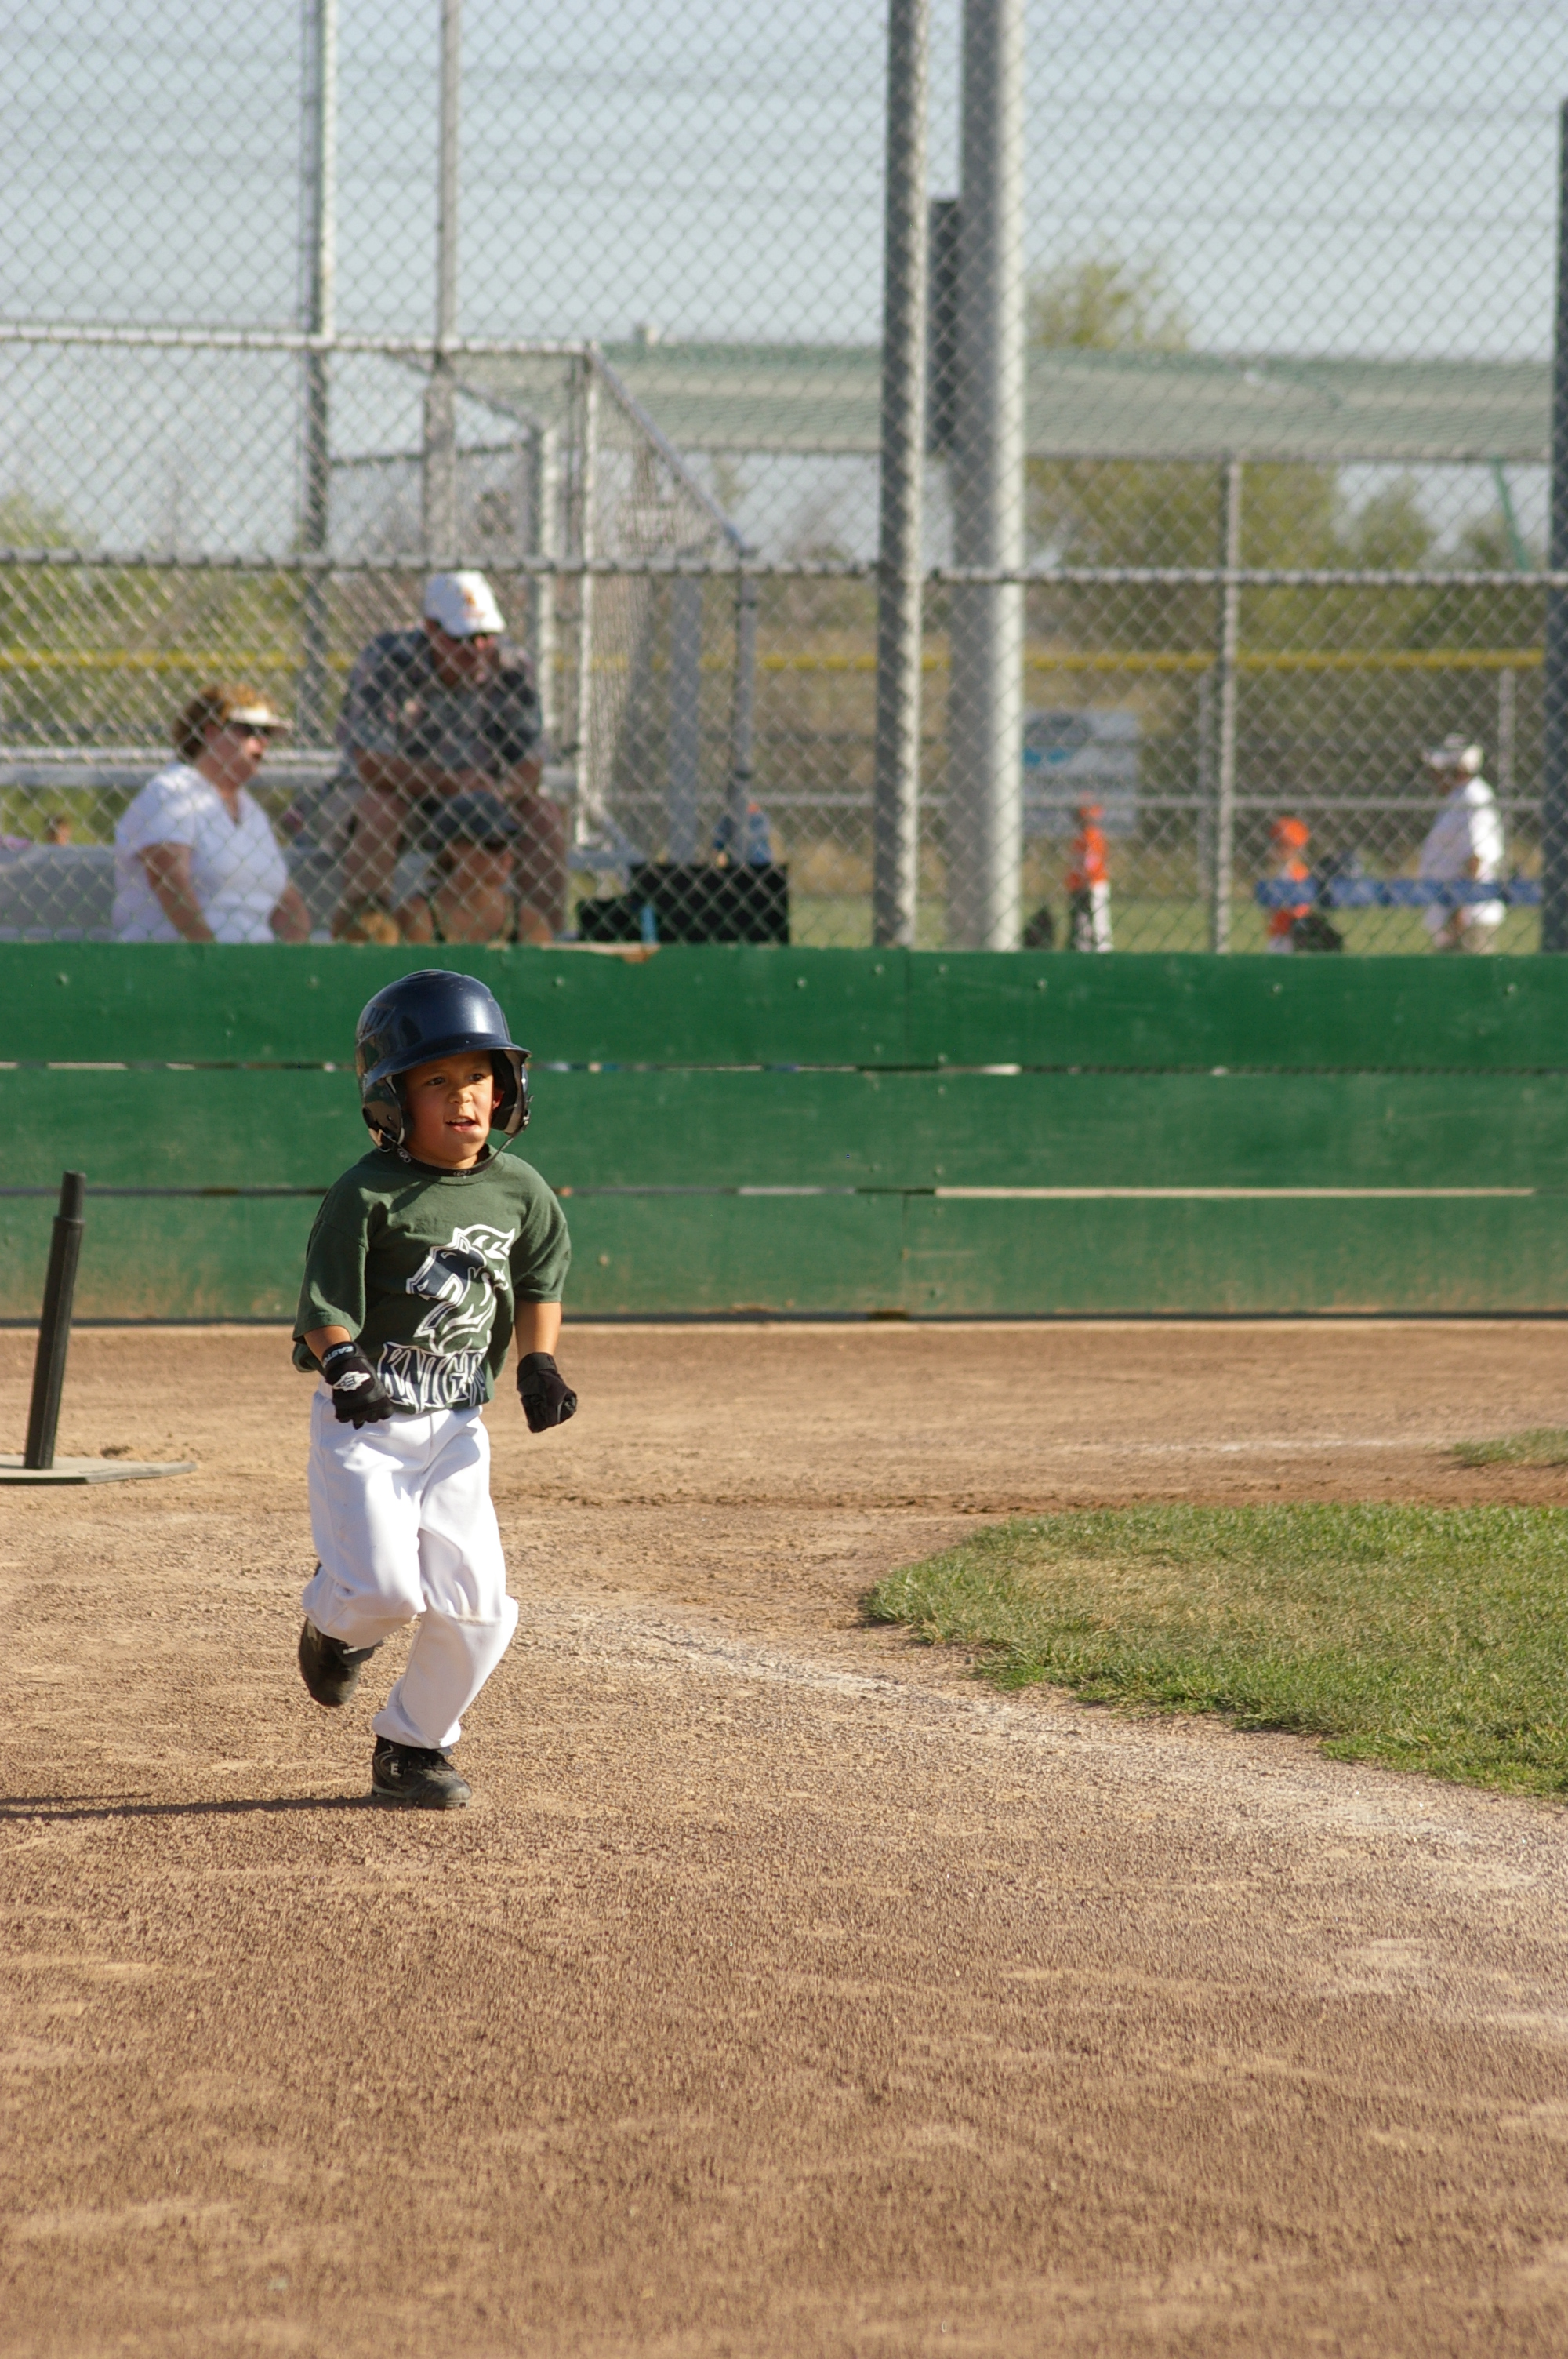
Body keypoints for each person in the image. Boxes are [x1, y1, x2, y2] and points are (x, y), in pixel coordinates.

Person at [291, 969, 576, 1811]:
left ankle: (413, 1746)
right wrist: (345, 1366)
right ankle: (333, 1624)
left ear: (508, 1089)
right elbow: (323, 1307)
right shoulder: (365, 1193)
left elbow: (540, 1280)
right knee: (383, 1593)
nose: (465, 1096)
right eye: (438, 1080)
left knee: (482, 1607)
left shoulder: (521, 1189)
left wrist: (538, 1362)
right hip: (366, 1425)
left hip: (454, 1427)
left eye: (481, 1076)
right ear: (391, 1100)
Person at [332, 570, 565, 943]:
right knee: (379, 811)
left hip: (486, 801)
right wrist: (452, 784)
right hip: (406, 797)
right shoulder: (388, 659)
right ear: (430, 628)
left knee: (544, 816)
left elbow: (530, 764)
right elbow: (371, 763)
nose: (477, 649)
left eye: (486, 635)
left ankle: (548, 945)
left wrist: (498, 792)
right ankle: (366, 943)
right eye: (462, 639)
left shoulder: (510, 664)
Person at [112, 684, 310, 943]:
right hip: (177, 959)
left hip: (250, 962)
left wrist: (294, 961)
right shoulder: (172, 791)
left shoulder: (251, 811)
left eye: (267, 733)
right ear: (211, 731)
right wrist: (211, 959)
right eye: (249, 731)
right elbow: (169, 882)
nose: (263, 741)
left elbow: (289, 905)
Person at [394, 789, 553, 947]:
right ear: (453, 849)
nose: (506, 855)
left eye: (510, 843)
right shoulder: (420, 915)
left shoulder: (527, 921)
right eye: (493, 844)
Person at [1417, 735, 1504, 953]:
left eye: (1441, 770)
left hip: (1467, 917)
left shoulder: (1473, 797)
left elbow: (1476, 857)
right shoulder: (1457, 797)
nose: (1434, 776)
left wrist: (1460, 908)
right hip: (1451, 912)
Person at [1065, 799, 1112, 951]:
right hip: (1085, 885)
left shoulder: (1091, 835)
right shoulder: (1083, 835)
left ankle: (1102, 951)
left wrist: (1086, 884)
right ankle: (1086, 950)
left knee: (1097, 923)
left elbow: (1090, 864)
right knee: (1084, 924)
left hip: (1093, 885)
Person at [1265, 816, 1313, 952]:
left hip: (1291, 935)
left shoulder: (1299, 873)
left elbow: (1301, 910)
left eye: (1283, 846)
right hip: (1279, 933)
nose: (1277, 849)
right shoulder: (1278, 872)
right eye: (1276, 844)